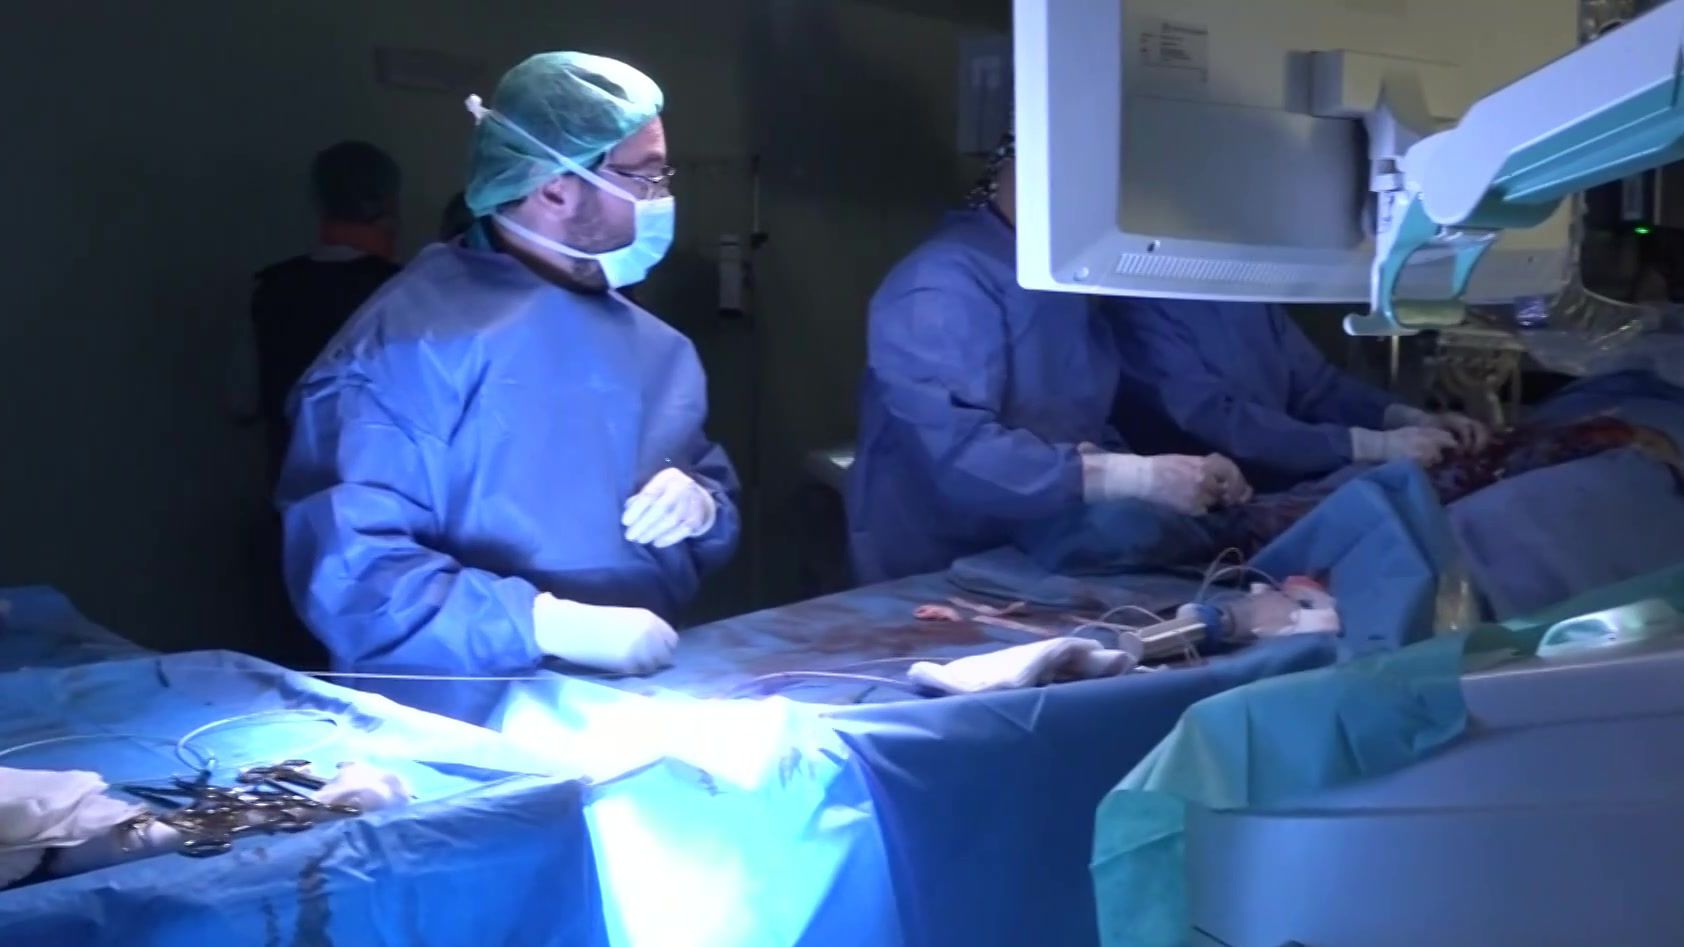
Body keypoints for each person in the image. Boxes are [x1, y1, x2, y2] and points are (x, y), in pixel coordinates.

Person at [277, 52, 739, 722]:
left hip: (634, 705)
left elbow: (706, 483)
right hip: (462, 726)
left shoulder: (655, 346)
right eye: (643, 176)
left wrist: (702, 504)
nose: (661, 196)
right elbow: (352, 573)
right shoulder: (407, 347)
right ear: (554, 190)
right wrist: (542, 624)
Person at [846, 132, 1250, 584]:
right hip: (935, 566)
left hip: (1037, 559)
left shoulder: (1056, 281)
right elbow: (960, 454)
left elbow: (1078, 425)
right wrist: (1136, 477)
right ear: (1021, 168)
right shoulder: (940, 285)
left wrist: (1182, 477)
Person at [1109, 299, 1490, 492]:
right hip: (1211, 505)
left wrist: (1408, 419)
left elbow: (1317, 386)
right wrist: (1372, 446)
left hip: (1285, 484)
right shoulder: (1141, 308)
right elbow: (1220, 421)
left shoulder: (1243, 298)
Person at [251, 141, 403, 486]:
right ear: (389, 203)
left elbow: (241, 401)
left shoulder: (270, 289)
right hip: (379, 495)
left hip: (289, 496)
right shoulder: (406, 292)